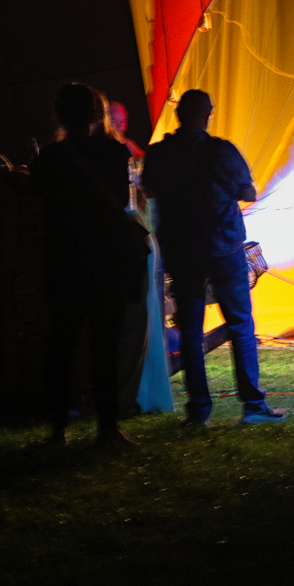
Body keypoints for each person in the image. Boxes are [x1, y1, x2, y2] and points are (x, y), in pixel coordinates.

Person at [140, 89, 286, 427]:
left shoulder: (159, 153)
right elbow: (248, 193)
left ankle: (198, 410)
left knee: (191, 329)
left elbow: (149, 190)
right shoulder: (223, 151)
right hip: (224, 248)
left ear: (179, 115)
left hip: (182, 251)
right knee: (241, 325)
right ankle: (252, 406)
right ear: (207, 114)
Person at [34, 83, 147, 448]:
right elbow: (122, 203)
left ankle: (56, 430)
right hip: (106, 260)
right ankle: (108, 428)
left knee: (61, 346)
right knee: (105, 346)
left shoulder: (49, 159)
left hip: (65, 260)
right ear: (97, 115)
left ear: (59, 116)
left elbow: (41, 204)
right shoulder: (114, 153)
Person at [107, 99, 174, 417]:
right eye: (112, 121)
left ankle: (135, 392)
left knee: (141, 318)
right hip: (129, 242)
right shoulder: (114, 155)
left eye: (121, 122)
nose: (118, 128)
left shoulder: (129, 153)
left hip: (137, 240)